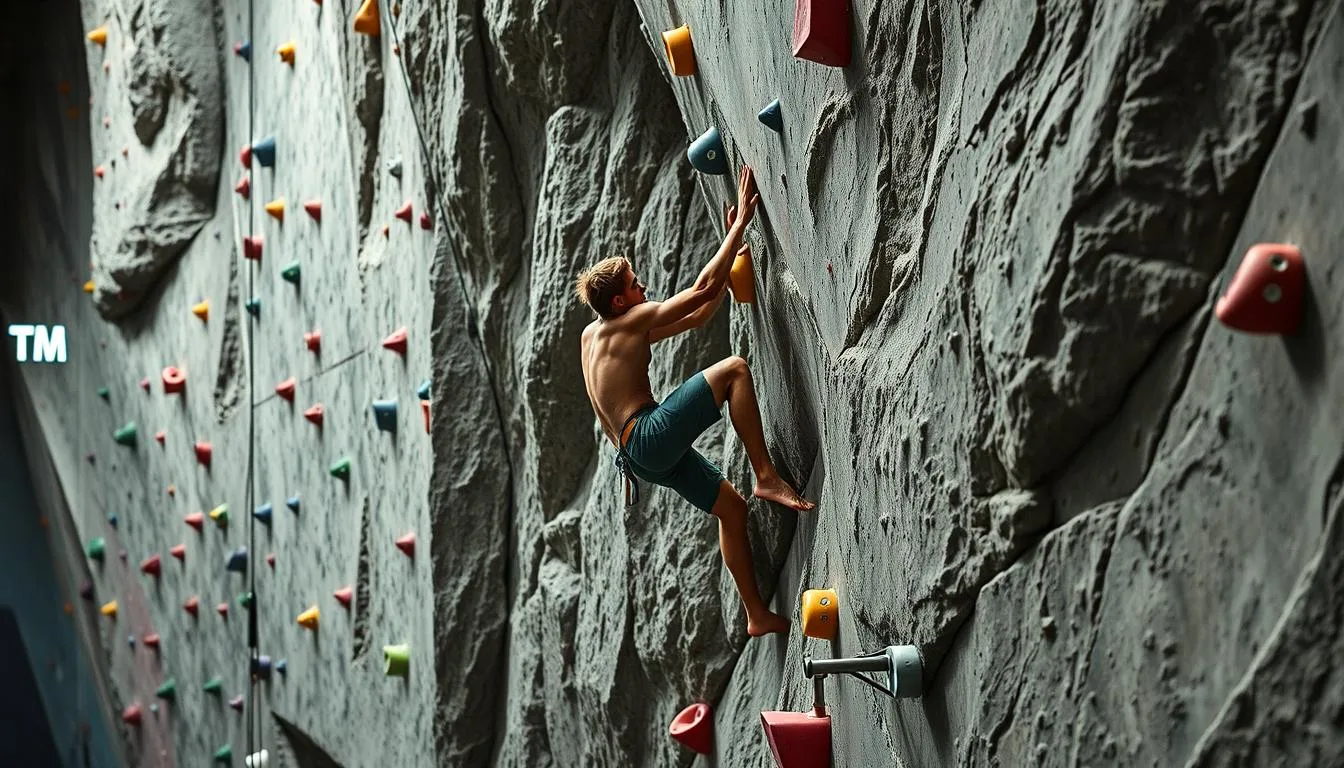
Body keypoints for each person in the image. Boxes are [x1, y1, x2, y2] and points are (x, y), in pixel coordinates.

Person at [575, 165, 815, 637]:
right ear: (622, 302)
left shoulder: (594, 334)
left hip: (635, 457)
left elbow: (702, 311)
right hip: (647, 435)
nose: (644, 288)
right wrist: (740, 221)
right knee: (735, 370)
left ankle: (756, 615)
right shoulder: (631, 321)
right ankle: (766, 475)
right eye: (636, 284)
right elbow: (700, 290)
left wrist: (729, 261)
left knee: (731, 508)